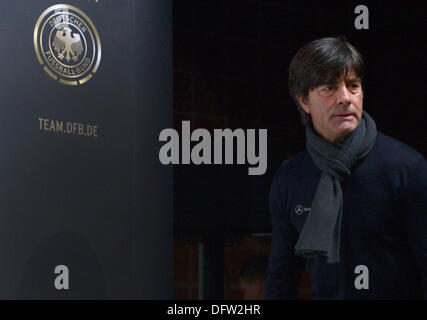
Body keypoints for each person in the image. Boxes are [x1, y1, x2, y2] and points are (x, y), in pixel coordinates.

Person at [264, 37, 426, 299]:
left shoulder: (406, 168)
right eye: (329, 88)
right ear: (304, 100)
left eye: (353, 86)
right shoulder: (291, 177)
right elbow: (281, 278)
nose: (345, 98)